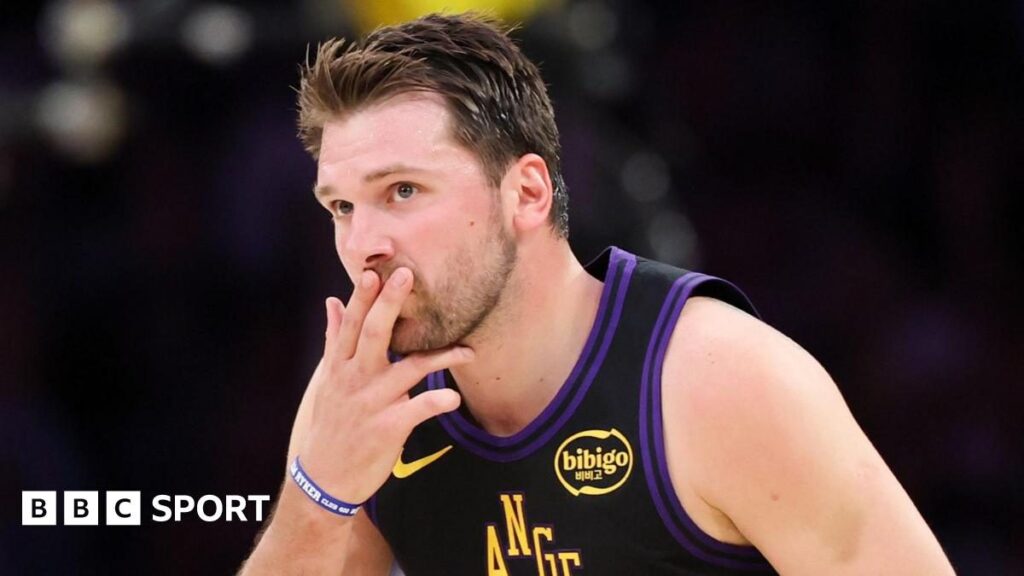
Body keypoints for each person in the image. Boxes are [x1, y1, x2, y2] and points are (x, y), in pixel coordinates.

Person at [239, 12, 954, 575]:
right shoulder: (358, 402)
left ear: (525, 192)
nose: (364, 242)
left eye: (402, 191)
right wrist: (316, 495)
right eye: (341, 207)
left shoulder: (723, 381)